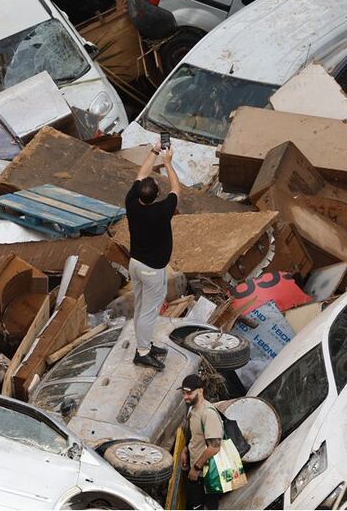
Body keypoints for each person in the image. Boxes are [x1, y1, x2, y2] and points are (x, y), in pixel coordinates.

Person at [125, 141, 181, 370]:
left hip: (135, 263)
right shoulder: (162, 210)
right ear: (157, 195)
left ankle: (144, 343)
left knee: (140, 306)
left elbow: (141, 173)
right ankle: (143, 352)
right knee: (149, 311)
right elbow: (177, 189)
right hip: (151, 270)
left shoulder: (131, 202)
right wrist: (168, 163)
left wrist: (154, 151)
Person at [180, 374, 223, 510]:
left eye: (189, 393)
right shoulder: (192, 410)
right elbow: (195, 436)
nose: (185, 397)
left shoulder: (208, 413)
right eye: (183, 393)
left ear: (200, 391)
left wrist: (196, 468)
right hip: (195, 472)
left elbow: (215, 447)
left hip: (206, 475)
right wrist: (185, 450)